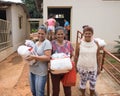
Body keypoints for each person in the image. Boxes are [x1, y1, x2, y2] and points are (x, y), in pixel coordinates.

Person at [26, 25, 52, 96]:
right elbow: (32, 53)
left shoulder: (47, 43)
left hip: (41, 72)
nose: (40, 35)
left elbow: (47, 57)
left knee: (39, 93)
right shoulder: (36, 43)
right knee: (33, 91)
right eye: (39, 33)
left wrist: (34, 57)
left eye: (42, 34)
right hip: (32, 70)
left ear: (45, 34)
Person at [76, 27, 101, 96]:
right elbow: (76, 56)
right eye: (86, 33)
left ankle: (91, 95)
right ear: (83, 34)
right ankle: (83, 94)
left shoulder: (96, 43)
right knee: (83, 83)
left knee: (93, 84)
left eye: (89, 33)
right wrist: (75, 67)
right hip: (82, 68)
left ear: (92, 34)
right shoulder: (80, 43)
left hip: (93, 68)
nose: (87, 35)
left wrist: (99, 67)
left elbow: (98, 56)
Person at [51, 26, 74, 96]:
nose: (60, 36)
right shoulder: (51, 44)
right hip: (55, 71)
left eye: (62, 34)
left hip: (66, 71)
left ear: (64, 34)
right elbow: (48, 56)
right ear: (55, 35)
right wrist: (49, 66)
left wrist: (71, 63)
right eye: (58, 34)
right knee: (55, 90)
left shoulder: (68, 43)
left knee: (67, 90)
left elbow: (72, 55)